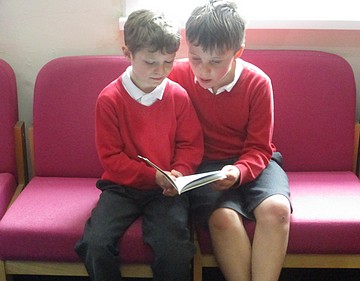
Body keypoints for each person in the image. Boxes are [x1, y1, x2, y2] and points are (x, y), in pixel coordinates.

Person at [75, 9, 204, 281]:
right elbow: (111, 157)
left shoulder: (177, 96)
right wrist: (152, 175)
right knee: (95, 245)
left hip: (166, 190)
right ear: (127, 53)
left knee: (175, 250)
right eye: (150, 62)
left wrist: (179, 171)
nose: (161, 71)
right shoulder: (110, 99)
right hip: (121, 188)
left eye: (168, 62)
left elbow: (190, 145)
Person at [168, 1, 292, 280]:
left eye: (215, 62)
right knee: (223, 220)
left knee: (277, 210)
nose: (203, 70)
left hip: (254, 161)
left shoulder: (257, 82)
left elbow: (260, 146)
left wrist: (239, 171)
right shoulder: (176, 75)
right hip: (204, 167)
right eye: (195, 58)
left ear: (237, 53)